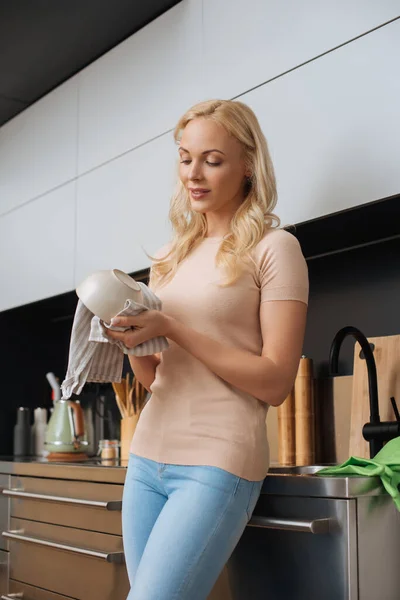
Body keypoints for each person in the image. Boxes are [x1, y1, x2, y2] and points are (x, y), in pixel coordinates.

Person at [106, 99, 309, 600]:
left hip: (217, 463)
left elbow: (276, 382)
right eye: (184, 157)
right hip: (149, 457)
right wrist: (132, 338)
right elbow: (157, 379)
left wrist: (173, 326)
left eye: (212, 160)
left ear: (247, 165)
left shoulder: (275, 248)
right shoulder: (168, 256)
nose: (192, 174)